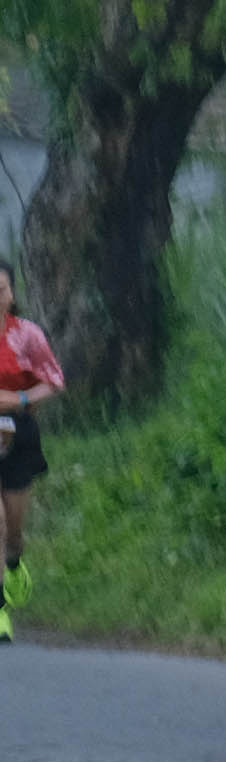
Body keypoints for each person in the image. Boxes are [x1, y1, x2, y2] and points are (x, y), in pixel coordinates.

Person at [0, 259, 64, 640]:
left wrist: (19, 400)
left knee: (13, 527)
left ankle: (14, 564)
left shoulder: (27, 336)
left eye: (1, 290)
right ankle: (0, 612)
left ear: (11, 294)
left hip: (17, 434)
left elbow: (53, 380)